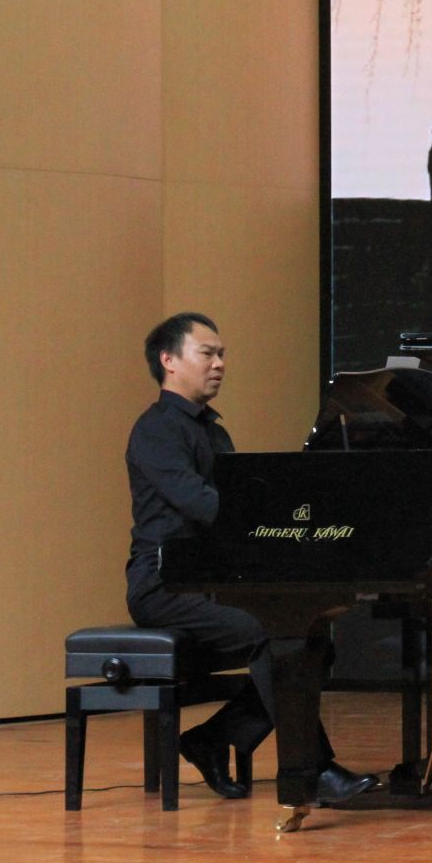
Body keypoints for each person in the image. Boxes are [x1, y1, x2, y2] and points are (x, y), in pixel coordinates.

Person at [124, 313, 376, 804]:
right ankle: (314, 770)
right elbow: (202, 505)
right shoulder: (155, 431)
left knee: (313, 636)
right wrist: (267, 524)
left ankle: (212, 739)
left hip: (211, 582)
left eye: (222, 355)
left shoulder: (212, 432)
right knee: (271, 630)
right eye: (207, 353)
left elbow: (236, 508)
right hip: (164, 585)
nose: (219, 364)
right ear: (169, 361)